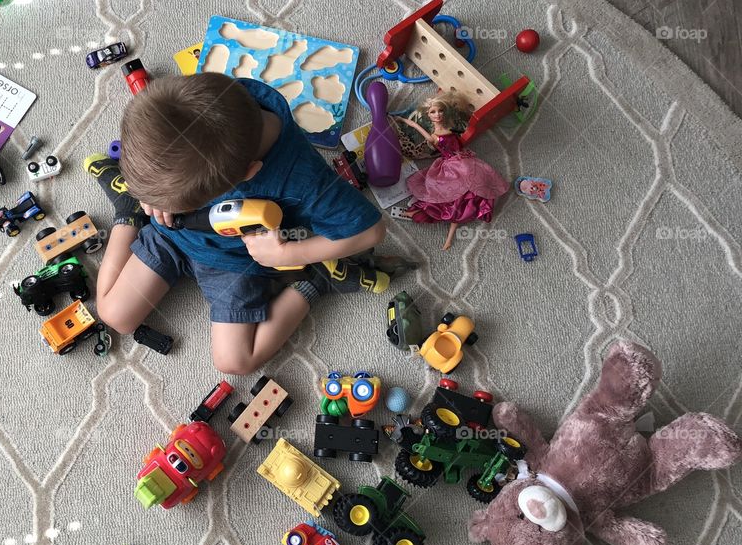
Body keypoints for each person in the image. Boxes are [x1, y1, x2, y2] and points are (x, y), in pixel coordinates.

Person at [85, 73, 412, 374]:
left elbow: (372, 230)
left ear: (247, 175)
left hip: (236, 259)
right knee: (114, 315)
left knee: (234, 361)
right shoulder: (216, 99)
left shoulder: (304, 182)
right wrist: (153, 199)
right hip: (172, 233)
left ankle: (320, 277)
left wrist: (290, 256)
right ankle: (129, 208)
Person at [398, 94, 509, 250]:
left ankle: (447, 236)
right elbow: (416, 126)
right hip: (452, 167)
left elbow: (463, 125)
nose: (437, 114)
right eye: (433, 112)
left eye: (440, 110)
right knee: (453, 198)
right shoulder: (433, 137)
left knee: (469, 194)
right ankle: (434, 224)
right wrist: (402, 121)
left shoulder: (451, 126)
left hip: (466, 162)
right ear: (428, 115)